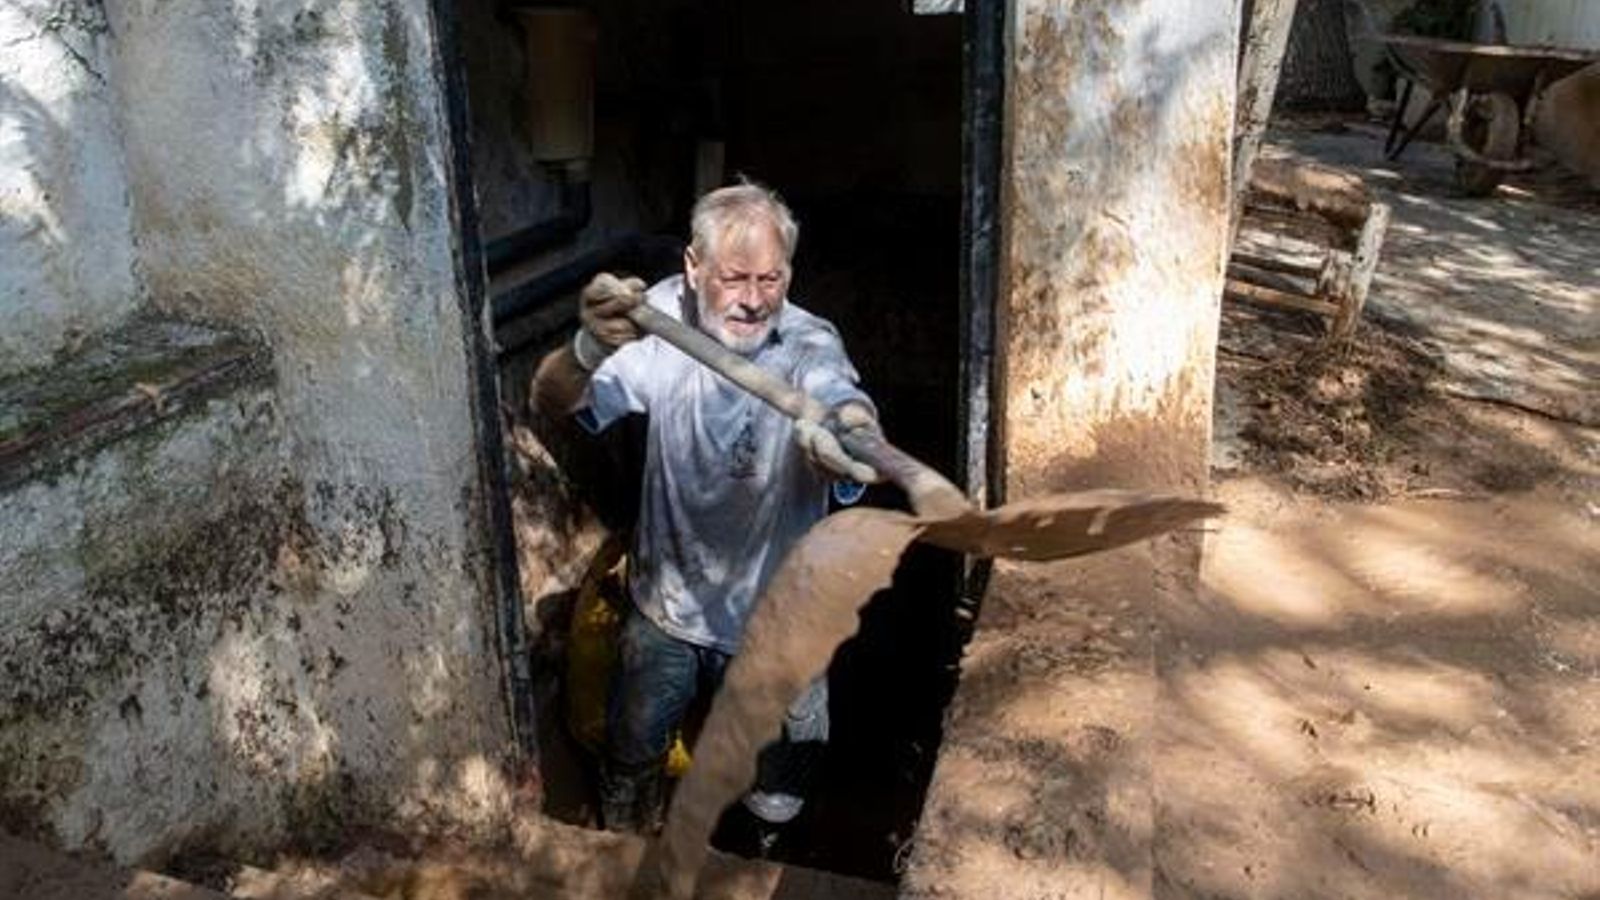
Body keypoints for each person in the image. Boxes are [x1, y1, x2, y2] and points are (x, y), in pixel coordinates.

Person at [530, 182, 883, 845]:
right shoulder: (657, 320)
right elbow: (550, 400)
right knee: (634, 745)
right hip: (667, 605)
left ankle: (758, 854)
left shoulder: (809, 344)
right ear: (693, 268)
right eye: (734, 278)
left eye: (771, 279)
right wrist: (586, 350)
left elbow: (846, 402)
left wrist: (848, 434)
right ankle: (622, 847)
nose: (754, 298)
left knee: (781, 771)